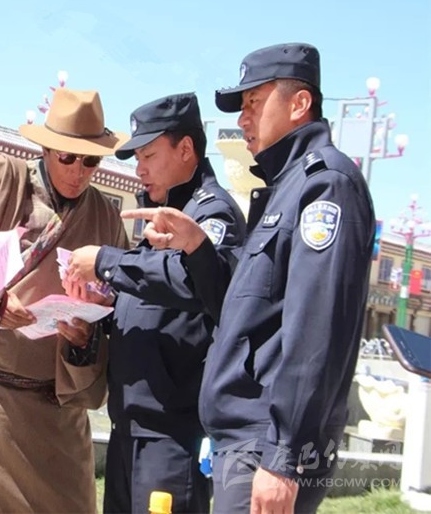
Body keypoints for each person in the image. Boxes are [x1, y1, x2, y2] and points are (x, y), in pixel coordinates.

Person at [127, 43, 376, 514]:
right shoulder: (286, 188)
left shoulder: (325, 185)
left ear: (299, 104)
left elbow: (316, 330)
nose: (243, 119)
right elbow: (248, 309)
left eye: (254, 103)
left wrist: (284, 456)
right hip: (248, 443)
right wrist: (198, 248)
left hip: (268, 445)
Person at [0, 87, 131, 514]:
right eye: (68, 157)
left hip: (59, 412)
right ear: (45, 149)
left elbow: (117, 310)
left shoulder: (106, 217)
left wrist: (84, 335)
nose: (79, 171)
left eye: (91, 161)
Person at [65, 92, 245, 514]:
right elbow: (153, 304)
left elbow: (190, 280)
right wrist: (97, 313)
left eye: (149, 155)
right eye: (136, 158)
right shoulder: (162, 212)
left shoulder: (211, 214)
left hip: (172, 436)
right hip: (131, 426)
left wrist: (107, 262)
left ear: (186, 149)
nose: (139, 169)